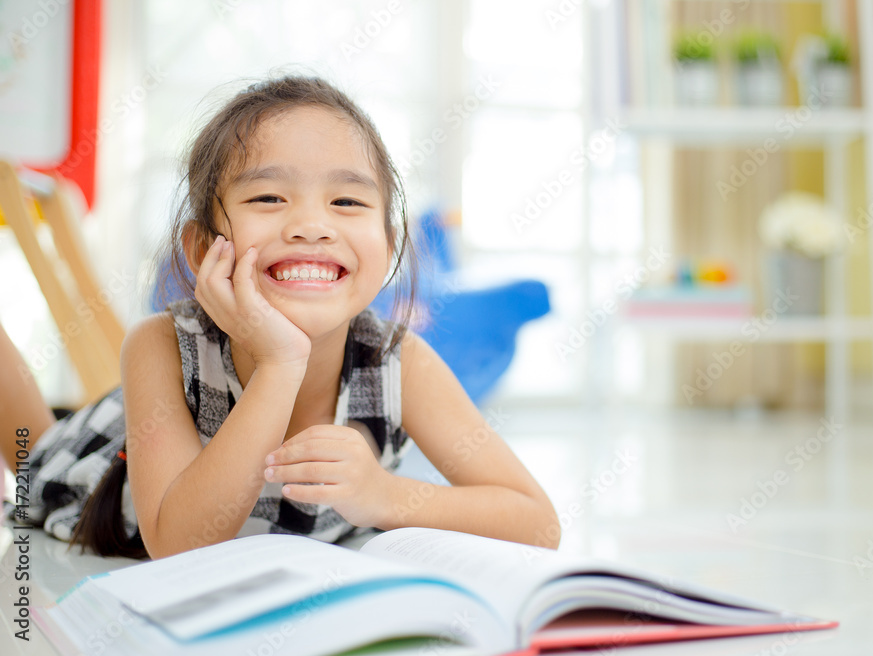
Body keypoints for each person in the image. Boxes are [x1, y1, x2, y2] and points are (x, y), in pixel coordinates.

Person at [1, 75, 559, 559]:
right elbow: (178, 544)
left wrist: (385, 495)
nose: (312, 225)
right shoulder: (161, 344)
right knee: (31, 457)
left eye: (347, 202)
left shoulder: (397, 363)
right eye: (268, 198)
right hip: (81, 470)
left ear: (388, 246)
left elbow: (537, 523)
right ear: (201, 250)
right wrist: (279, 363)